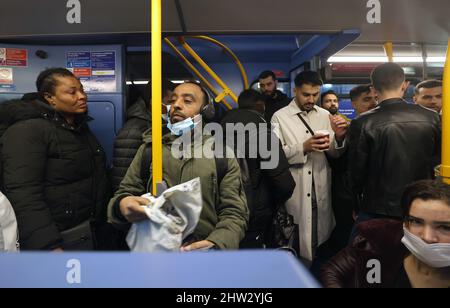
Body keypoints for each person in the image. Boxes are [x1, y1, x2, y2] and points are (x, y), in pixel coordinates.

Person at [108, 81, 249, 250]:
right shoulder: (150, 150)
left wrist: (217, 242)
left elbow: (234, 212)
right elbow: (125, 192)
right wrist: (121, 205)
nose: (176, 105)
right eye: (172, 100)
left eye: (187, 101)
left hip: (204, 253)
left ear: (205, 111)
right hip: (155, 251)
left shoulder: (221, 155)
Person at [0, 68, 111, 251]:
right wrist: (48, 245)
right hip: (57, 238)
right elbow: (23, 193)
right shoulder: (28, 130)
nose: (82, 96)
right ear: (50, 98)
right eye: (72, 92)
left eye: (82, 90)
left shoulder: (78, 128)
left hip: (84, 231)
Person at [347, 63, 441, 229]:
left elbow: (356, 172)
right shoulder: (432, 117)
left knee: (375, 252)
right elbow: (437, 161)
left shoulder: (362, 122)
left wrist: (356, 203)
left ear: (373, 89)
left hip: (377, 207)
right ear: (405, 85)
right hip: (421, 203)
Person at [271, 71, 349, 262]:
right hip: (296, 189)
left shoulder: (324, 115)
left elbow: (334, 153)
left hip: (321, 187)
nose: (311, 99)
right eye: (306, 94)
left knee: (321, 238)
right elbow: (274, 156)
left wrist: (339, 138)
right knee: (299, 240)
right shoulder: (279, 117)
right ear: (294, 90)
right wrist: (303, 148)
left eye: (315, 94)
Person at [321, 179, 450, 288]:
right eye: (417, 222)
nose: (427, 237)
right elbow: (333, 271)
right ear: (405, 223)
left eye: (444, 227)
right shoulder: (378, 242)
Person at [221, 89, 295, 248]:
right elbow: (284, 184)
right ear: (261, 105)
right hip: (256, 213)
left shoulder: (217, 129)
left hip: (224, 211)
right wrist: (272, 202)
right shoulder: (263, 132)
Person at [112, 79, 175, 191]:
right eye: (170, 102)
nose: (174, 107)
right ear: (154, 102)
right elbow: (123, 179)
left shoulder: (159, 125)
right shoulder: (134, 130)